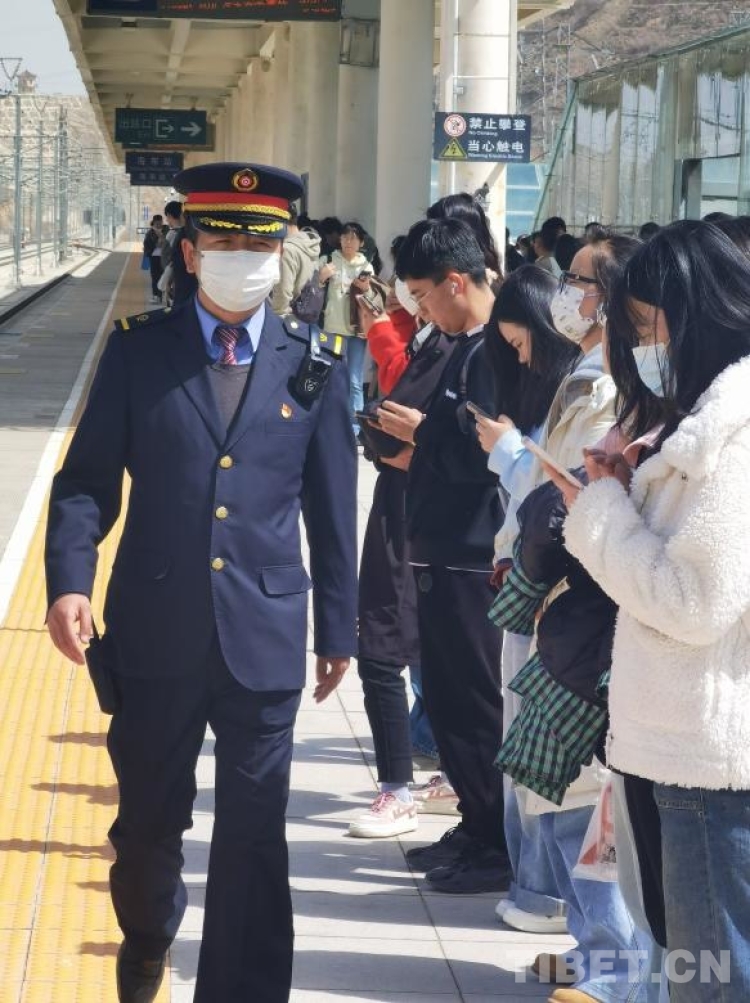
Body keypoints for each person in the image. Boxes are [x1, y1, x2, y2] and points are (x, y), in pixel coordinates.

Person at [44, 162, 358, 1003]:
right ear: (190, 253)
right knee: (148, 825)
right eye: (223, 241)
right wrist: (70, 580)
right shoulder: (138, 352)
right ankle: (148, 933)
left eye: (258, 245)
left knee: (254, 836)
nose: (241, 259)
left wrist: (339, 629)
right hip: (155, 633)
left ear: (279, 253)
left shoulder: (316, 364)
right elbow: (84, 484)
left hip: (264, 635)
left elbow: (334, 510)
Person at [554, 221, 750, 1003]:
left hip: (706, 762)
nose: (640, 346)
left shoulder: (735, 437)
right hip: (680, 748)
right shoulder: (704, 423)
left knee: (712, 979)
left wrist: (604, 509)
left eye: (647, 325)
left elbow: (694, 600)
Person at [376, 217, 510, 894]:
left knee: (477, 703)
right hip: (439, 547)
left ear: (456, 281)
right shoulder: (457, 344)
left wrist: (422, 434)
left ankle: (497, 839)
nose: (421, 309)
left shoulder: (497, 351)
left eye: (425, 295)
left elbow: (490, 455)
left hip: (471, 553)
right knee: (450, 703)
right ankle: (476, 822)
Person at [318, 221, 375, 429]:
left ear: (361, 242)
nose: (348, 242)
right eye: (345, 237)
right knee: (332, 374)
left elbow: (373, 299)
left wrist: (366, 289)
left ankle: (355, 426)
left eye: (353, 238)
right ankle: (331, 421)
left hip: (357, 329)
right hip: (333, 327)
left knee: (354, 378)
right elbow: (312, 287)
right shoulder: (328, 260)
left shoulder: (366, 267)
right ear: (340, 239)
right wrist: (321, 277)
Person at [271, 204, 322, 317]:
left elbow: (283, 293)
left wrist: (276, 316)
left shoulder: (287, 250)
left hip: (286, 317)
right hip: (307, 313)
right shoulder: (310, 243)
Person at [143, 215, 165, 303]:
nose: (159, 224)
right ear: (154, 222)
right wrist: (157, 242)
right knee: (155, 277)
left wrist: (162, 238)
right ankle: (156, 296)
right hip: (154, 257)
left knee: (164, 277)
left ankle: (162, 296)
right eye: (157, 223)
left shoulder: (166, 230)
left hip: (164, 258)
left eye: (161, 222)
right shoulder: (150, 233)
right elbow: (147, 245)